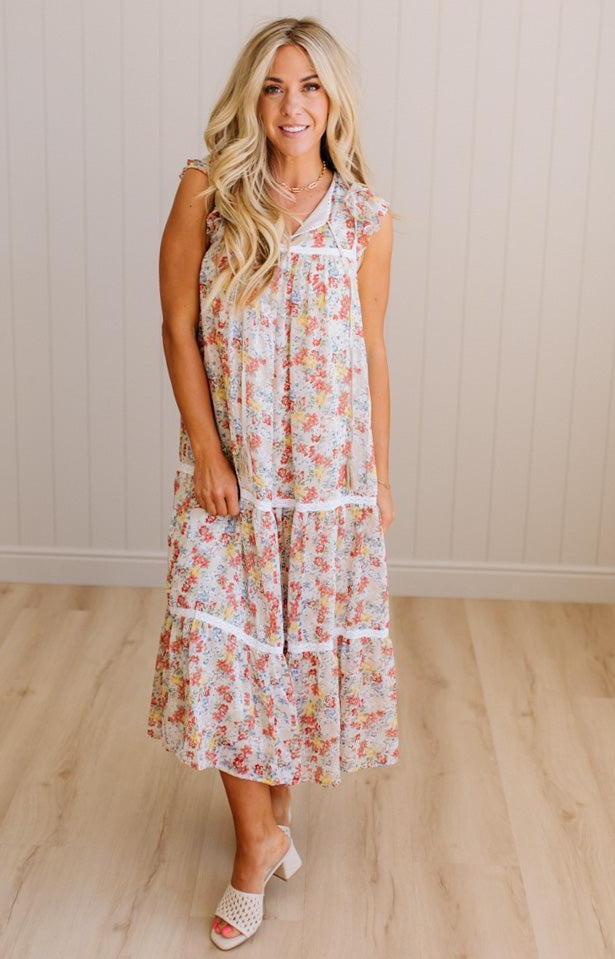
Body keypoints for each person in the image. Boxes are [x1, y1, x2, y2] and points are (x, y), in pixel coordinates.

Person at [146, 15, 400, 950]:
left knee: (289, 663)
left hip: (327, 484)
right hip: (233, 477)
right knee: (228, 661)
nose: (291, 105)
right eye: (272, 87)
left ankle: (271, 825)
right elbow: (179, 330)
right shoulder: (207, 191)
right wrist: (208, 454)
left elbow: (369, 349)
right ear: (250, 98)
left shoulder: (365, 215)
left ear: (333, 100)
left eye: (309, 87)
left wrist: (376, 478)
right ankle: (255, 849)